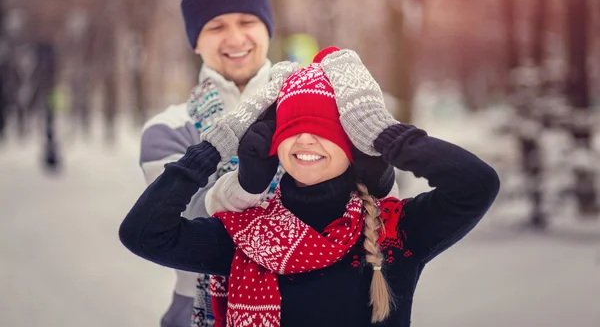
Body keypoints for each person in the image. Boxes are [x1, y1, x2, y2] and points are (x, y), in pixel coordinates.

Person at [121, 47, 500, 327]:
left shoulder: (396, 234)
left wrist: (385, 136)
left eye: (324, 130)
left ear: (353, 140)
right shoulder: (241, 238)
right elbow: (143, 234)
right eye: (290, 129)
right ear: (273, 142)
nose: (304, 141)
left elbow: (477, 184)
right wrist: (219, 143)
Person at [138, 0, 279, 327]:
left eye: (247, 21)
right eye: (216, 26)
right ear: (195, 41)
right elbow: (197, 225)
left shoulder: (309, 108)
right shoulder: (167, 130)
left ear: (267, 28)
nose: (235, 39)